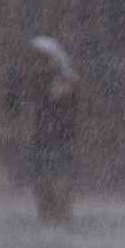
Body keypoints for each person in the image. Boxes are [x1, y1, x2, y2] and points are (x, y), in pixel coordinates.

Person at [12, 35, 79, 225]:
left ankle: (62, 219)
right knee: (43, 187)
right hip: (42, 140)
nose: (36, 63)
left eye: (41, 59)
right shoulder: (33, 80)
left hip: (59, 140)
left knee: (59, 186)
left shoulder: (65, 81)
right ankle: (50, 220)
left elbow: (63, 102)